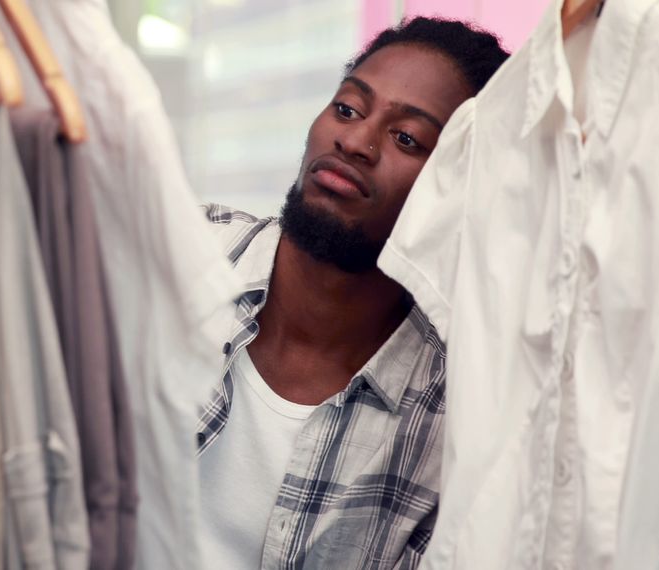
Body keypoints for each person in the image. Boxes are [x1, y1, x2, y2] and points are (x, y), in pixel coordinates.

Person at [196, 17, 510, 569]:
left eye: (407, 138)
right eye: (347, 108)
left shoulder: (449, 413)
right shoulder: (185, 254)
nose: (356, 142)